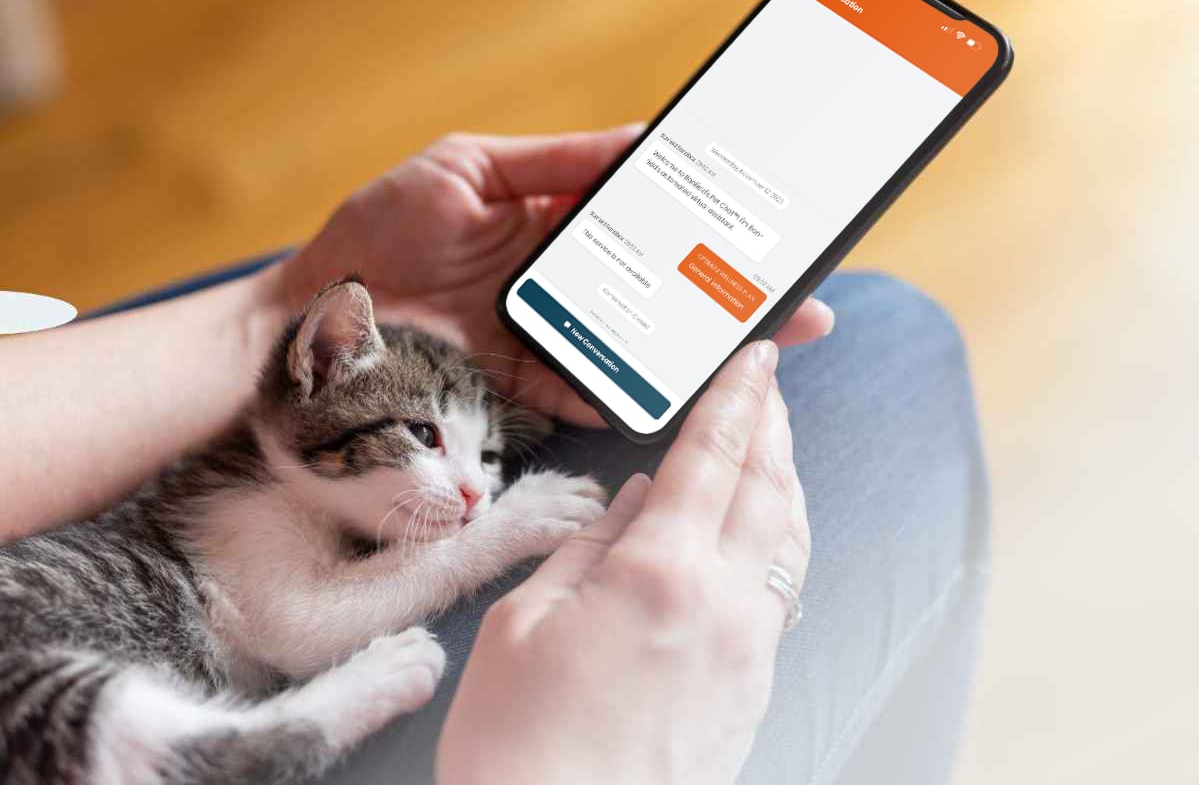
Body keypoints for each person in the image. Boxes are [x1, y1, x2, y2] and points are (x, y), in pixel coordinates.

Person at [0, 126, 990, 784]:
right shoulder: (239, 507)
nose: (474, 489)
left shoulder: (300, 467)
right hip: (97, 690)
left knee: (871, 329)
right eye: (431, 440)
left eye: (476, 455)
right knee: (885, 335)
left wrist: (267, 311)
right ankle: (272, 746)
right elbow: (297, 631)